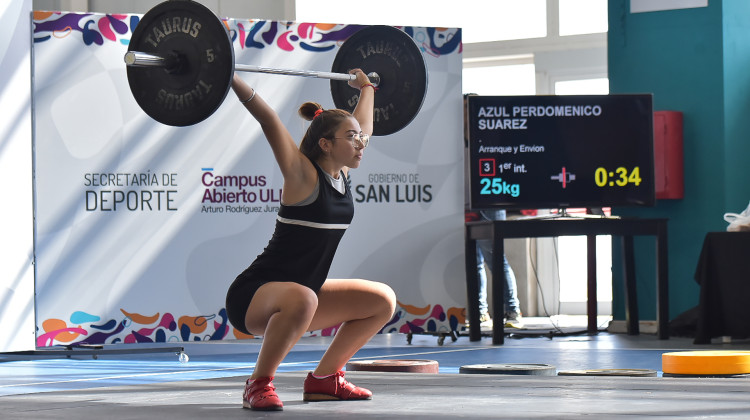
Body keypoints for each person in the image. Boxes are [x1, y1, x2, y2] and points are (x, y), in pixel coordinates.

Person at [225, 70, 397, 411]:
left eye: (360, 139)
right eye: (352, 138)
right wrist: (228, 76)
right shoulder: (302, 174)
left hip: (305, 295)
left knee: (382, 301)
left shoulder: (341, 174)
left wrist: (366, 87)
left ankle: (325, 379)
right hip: (255, 295)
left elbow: (365, 125)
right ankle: (258, 384)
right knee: (303, 297)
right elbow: (268, 118)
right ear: (325, 144)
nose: (361, 143)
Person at [475, 209, 523, 329]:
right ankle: (481, 312)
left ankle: (512, 311)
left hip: (490, 204)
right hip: (467, 207)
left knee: (496, 261)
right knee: (475, 263)